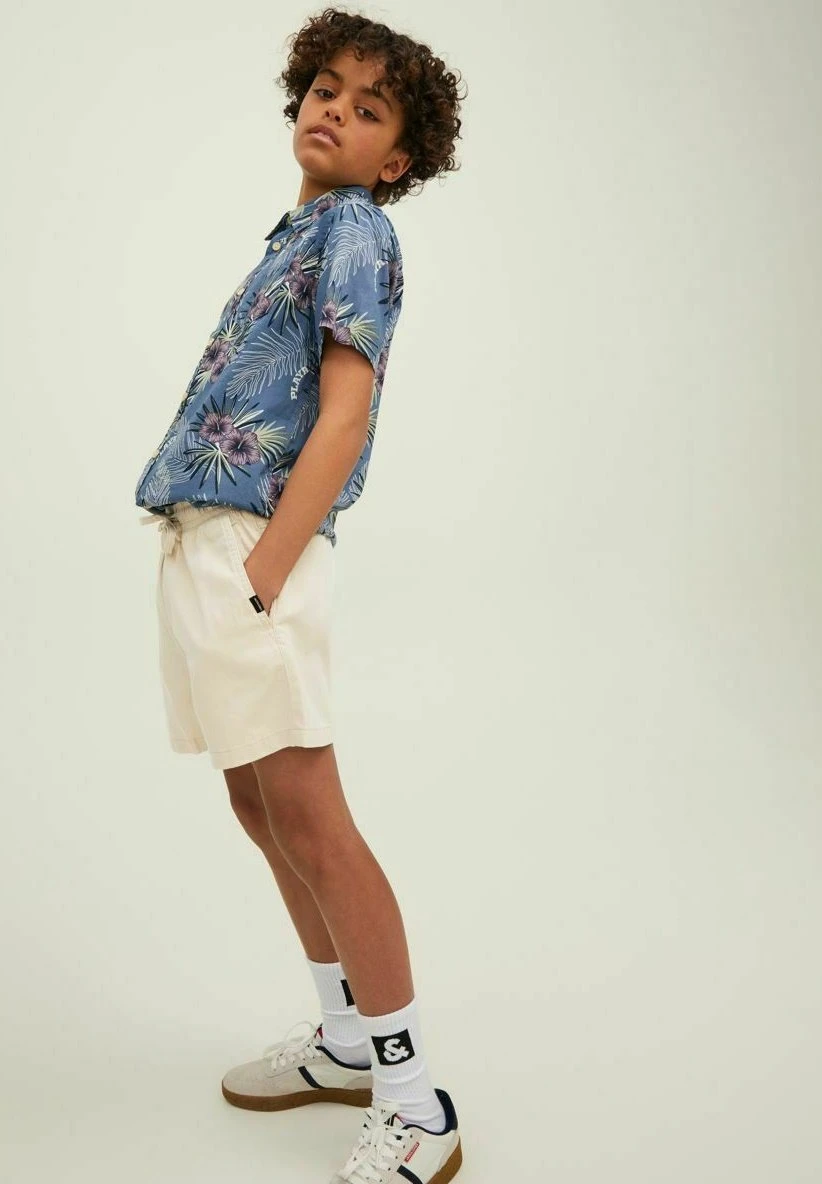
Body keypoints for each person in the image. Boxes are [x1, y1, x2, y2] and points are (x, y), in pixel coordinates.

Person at [134, 8, 466, 1183]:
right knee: (258, 801)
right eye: (327, 89)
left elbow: (346, 412)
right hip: (209, 539)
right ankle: (344, 1040)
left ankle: (416, 1101)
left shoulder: (360, 230)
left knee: (313, 816)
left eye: (369, 109)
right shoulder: (306, 227)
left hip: (252, 547)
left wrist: (266, 566)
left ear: (399, 158)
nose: (335, 110)